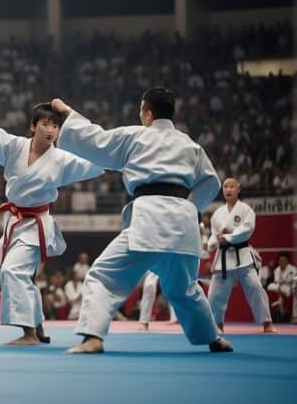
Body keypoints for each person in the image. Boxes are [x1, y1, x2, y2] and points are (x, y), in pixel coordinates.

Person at [50, 88, 232, 354]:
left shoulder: (137, 136)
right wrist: (189, 208)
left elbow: (94, 140)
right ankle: (214, 339)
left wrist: (67, 113)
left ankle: (93, 337)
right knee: (184, 288)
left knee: (102, 277)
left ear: (147, 113)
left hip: (149, 218)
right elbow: (210, 182)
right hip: (182, 222)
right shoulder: (191, 145)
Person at [0, 92, 103, 345]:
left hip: (37, 224)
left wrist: (73, 116)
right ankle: (38, 327)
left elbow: (98, 158)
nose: (50, 130)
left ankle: (28, 333)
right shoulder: (14, 146)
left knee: (12, 271)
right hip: (15, 222)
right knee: (26, 276)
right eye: (45, 124)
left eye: (55, 125)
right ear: (33, 126)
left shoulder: (62, 160)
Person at [206, 178, 276, 333]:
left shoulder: (246, 210)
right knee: (216, 293)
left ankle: (267, 322)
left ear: (238, 189)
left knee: (255, 287)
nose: (228, 189)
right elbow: (214, 235)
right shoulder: (217, 214)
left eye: (231, 186)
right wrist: (211, 244)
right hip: (223, 257)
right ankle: (217, 324)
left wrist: (228, 237)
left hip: (243, 255)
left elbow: (247, 229)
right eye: (225, 187)